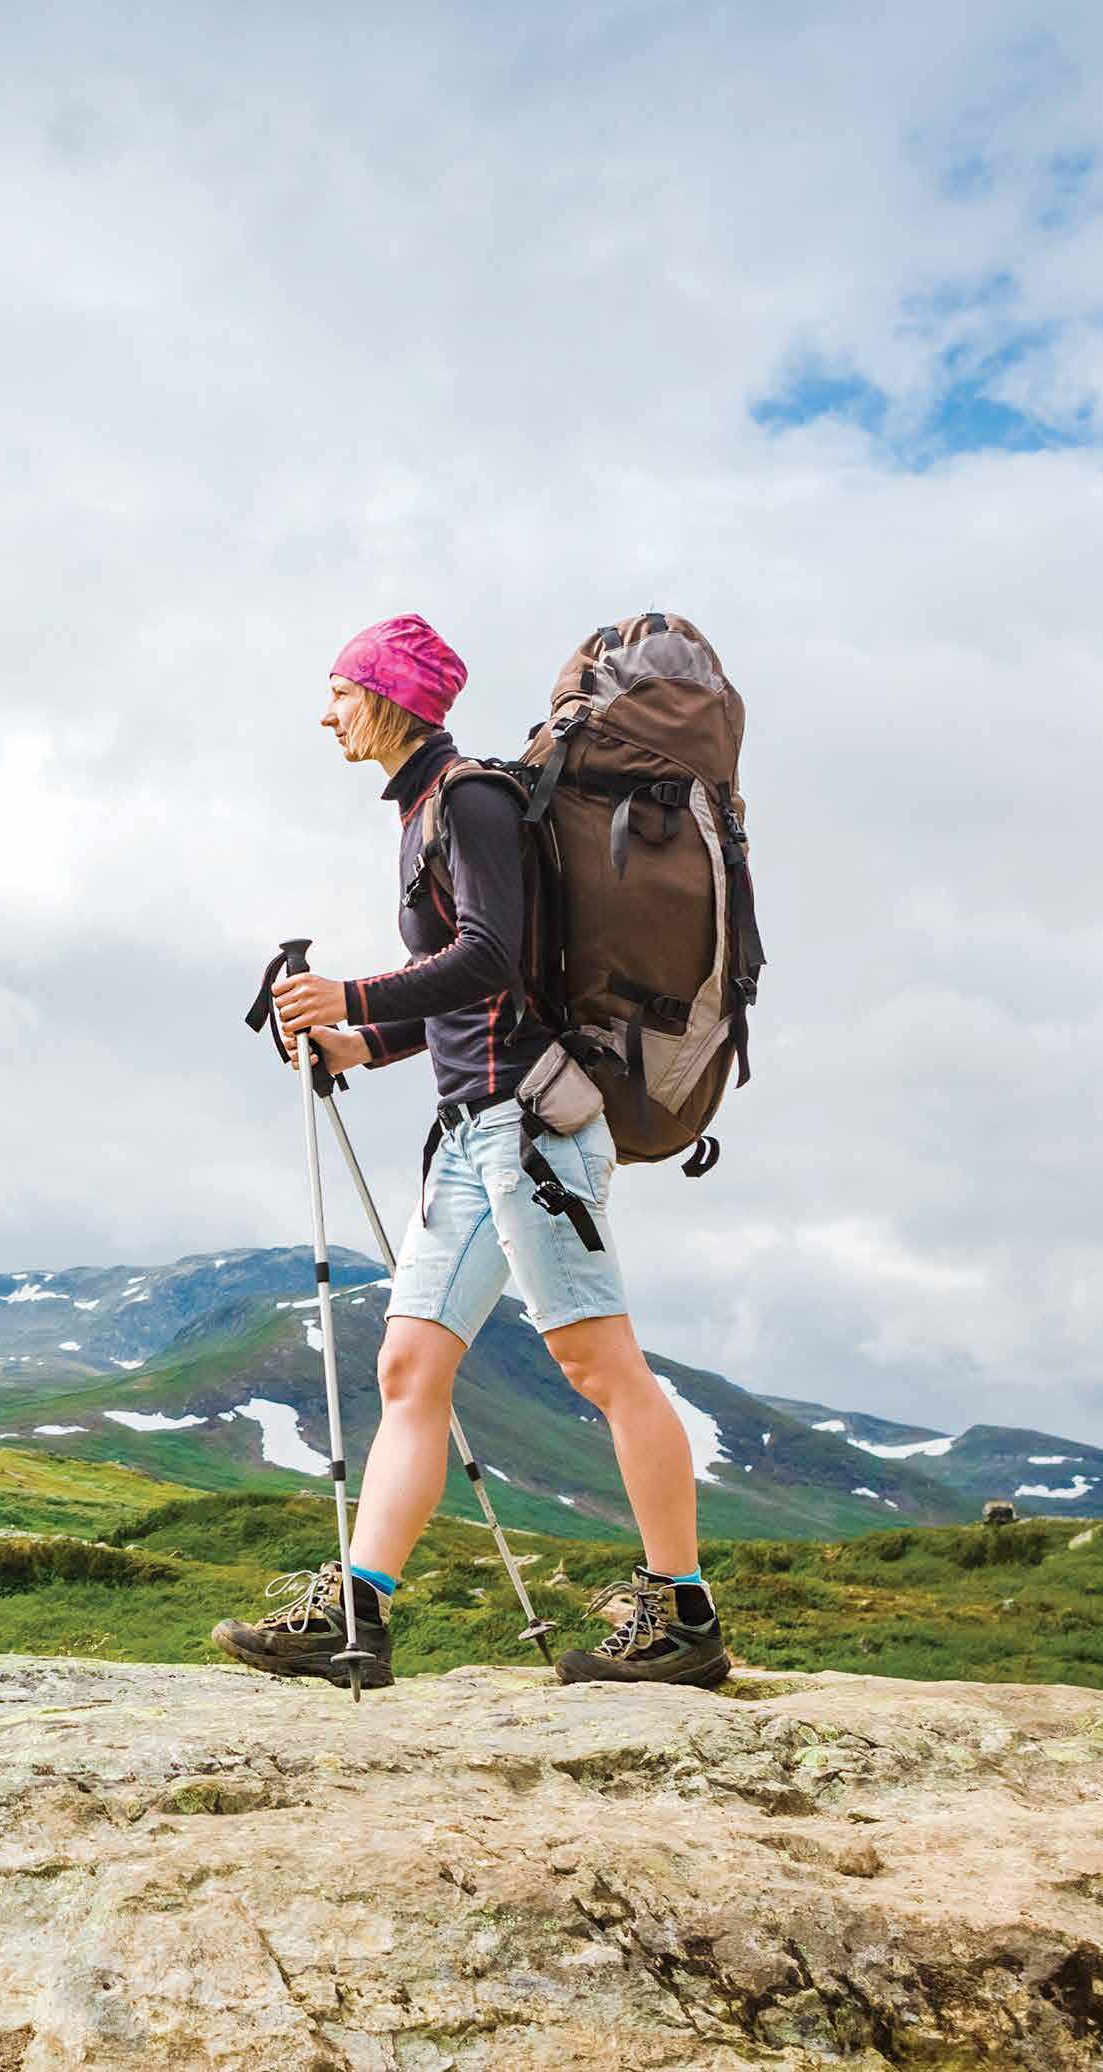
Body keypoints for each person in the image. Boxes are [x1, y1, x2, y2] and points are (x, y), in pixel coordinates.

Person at [211, 614, 727, 1690]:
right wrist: (360, 1040)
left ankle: (684, 1615)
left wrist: (350, 995)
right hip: (470, 1132)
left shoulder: (471, 800)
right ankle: (358, 1615)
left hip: (528, 1129)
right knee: (409, 1367)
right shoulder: (424, 810)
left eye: (340, 691)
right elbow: (472, 986)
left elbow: (490, 957)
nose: (326, 713)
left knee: (598, 1365)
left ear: (388, 697)